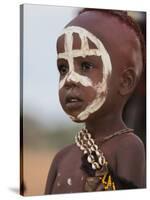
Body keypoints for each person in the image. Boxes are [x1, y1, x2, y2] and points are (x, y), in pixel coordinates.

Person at [45, 8, 146, 194]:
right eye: (63, 68)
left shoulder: (128, 147)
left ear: (125, 82)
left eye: (85, 66)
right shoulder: (61, 159)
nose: (70, 79)